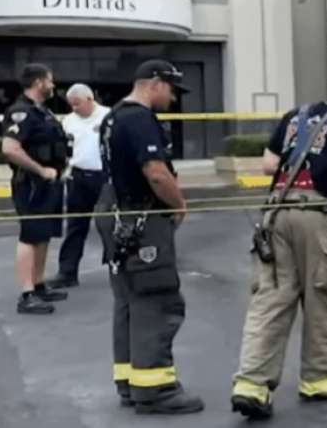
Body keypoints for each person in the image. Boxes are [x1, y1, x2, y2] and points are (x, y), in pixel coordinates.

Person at [230, 88, 327, 421]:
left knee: (271, 298)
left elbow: (269, 165)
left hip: (276, 213)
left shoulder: (295, 116)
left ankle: (251, 385)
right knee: (326, 294)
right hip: (317, 215)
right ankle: (321, 381)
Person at [96, 60, 203, 415]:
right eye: (171, 89)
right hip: (142, 218)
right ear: (155, 83)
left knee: (128, 300)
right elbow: (156, 173)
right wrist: (178, 204)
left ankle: (130, 381)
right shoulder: (140, 119)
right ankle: (155, 389)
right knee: (156, 300)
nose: (173, 97)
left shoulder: (112, 117)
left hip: (116, 215)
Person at [1, 63, 70, 315]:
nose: (53, 85)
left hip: (49, 184)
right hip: (31, 184)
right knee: (30, 236)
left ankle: (39, 284)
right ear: (39, 82)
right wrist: (40, 171)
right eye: (50, 81)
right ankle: (27, 294)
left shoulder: (43, 112)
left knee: (43, 235)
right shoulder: (21, 111)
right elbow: (10, 148)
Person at [47, 83, 110, 289]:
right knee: (75, 226)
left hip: (104, 178)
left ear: (90, 99)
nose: (74, 108)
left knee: (110, 227)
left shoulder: (109, 117)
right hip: (78, 178)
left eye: (77, 104)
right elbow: (64, 150)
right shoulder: (68, 121)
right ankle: (67, 272)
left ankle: (119, 271)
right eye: (71, 105)